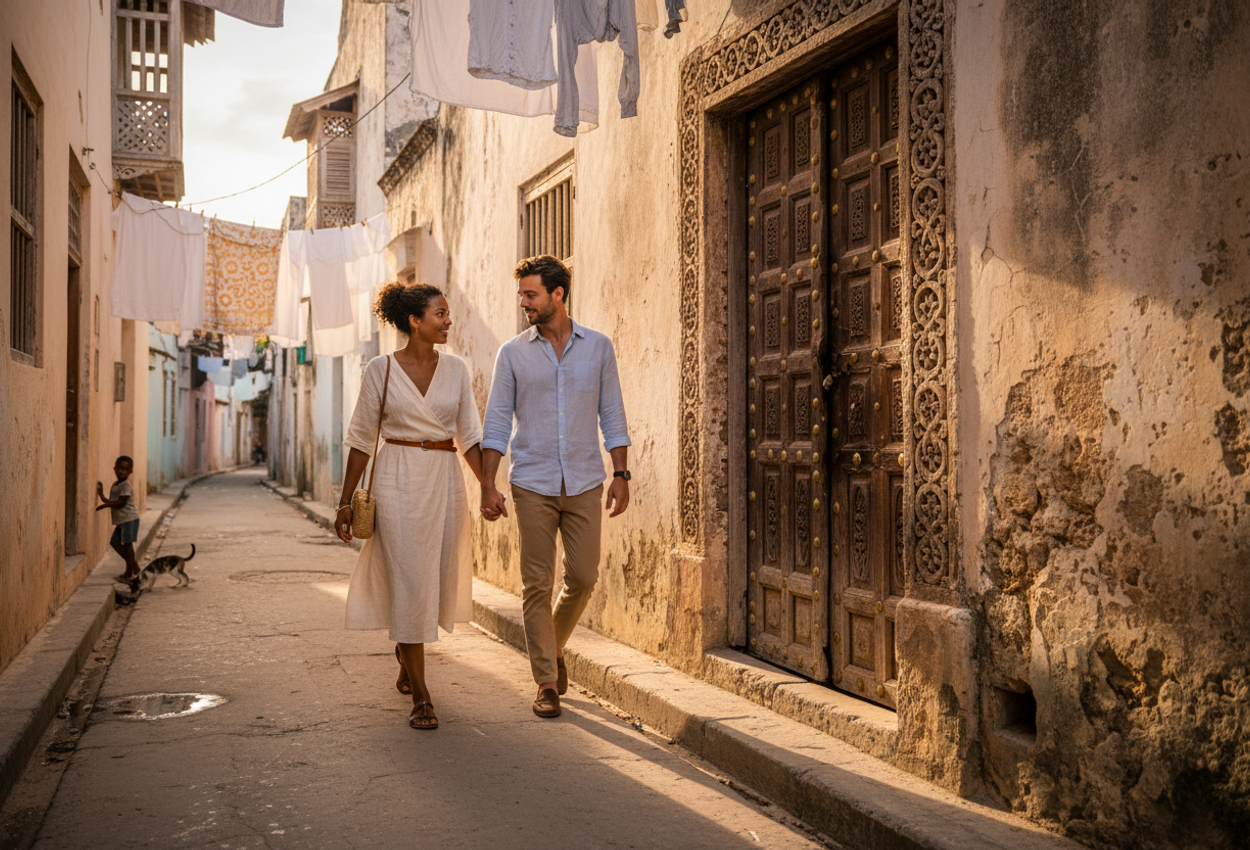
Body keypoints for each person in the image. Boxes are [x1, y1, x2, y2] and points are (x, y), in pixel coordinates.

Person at [480, 255, 632, 718]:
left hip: (586, 478)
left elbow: (613, 414)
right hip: (532, 481)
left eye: (531, 294)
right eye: (522, 295)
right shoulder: (512, 353)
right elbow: (496, 422)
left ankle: (554, 647)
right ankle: (545, 682)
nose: (524, 303)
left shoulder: (598, 348)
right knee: (537, 583)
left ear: (558, 295)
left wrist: (621, 474)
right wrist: (488, 484)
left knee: (583, 578)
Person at [335, 282, 485, 731]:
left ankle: (406, 656)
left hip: (444, 480)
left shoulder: (456, 370)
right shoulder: (379, 371)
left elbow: (470, 436)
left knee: (433, 577)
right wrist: (345, 501)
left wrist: (491, 488)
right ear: (415, 321)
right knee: (410, 580)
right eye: (440, 313)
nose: (448, 320)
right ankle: (422, 696)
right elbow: (362, 440)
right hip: (396, 481)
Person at [96, 456, 141, 586]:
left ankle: (129, 573)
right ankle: (134, 566)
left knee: (127, 545)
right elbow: (111, 500)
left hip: (129, 519)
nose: (122, 472)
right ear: (115, 469)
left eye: (126, 469)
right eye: (120, 469)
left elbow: (121, 503)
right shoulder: (116, 485)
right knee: (115, 542)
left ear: (130, 471)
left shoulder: (126, 485)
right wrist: (101, 495)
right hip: (122, 520)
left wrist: (105, 505)